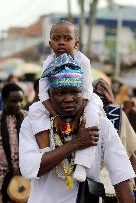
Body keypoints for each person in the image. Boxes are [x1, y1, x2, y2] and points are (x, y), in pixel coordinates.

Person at [19, 64, 135, 203]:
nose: (68, 99)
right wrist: (76, 143)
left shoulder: (101, 125)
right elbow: (29, 168)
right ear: (49, 96)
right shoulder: (33, 124)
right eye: (60, 93)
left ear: (84, 93)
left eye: (75, 92)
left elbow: (121, 178)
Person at [29, 20, 103, 182]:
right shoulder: (47, 63)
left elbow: (86, 92)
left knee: (93, 112)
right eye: (56, 39)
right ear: (50, 44)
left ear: (76, 43)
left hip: (82, 101)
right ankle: (45, 152)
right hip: (57, 106)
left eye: (67, 38)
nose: (61, 42)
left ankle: (82, 164)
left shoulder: (83, 61)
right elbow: (43, 93)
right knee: (35, 108)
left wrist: (76, 119)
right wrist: (58, 117)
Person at [93, 78, 136, 202]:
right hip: (118, 189)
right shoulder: (117, 112)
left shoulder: (81, 116)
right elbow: (131, 153)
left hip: (93, 187)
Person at [0, 83, 28, 203]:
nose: (18, 105)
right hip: (2, 177)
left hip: (25, 176)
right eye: (13, 101)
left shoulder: (29, 118)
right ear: (5, 100)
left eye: (20, 101)